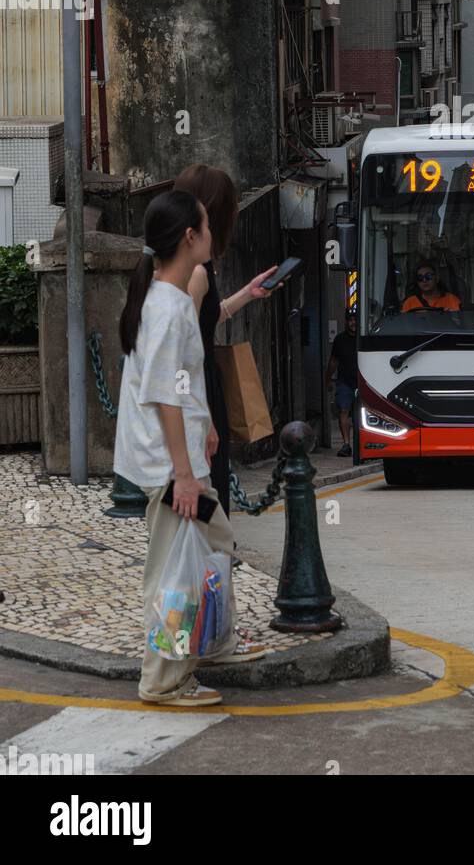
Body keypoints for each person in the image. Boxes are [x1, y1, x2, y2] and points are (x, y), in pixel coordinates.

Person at [114, 190, 266, 709]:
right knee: (173, 576)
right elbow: (161, 395)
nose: (212, 234)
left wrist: (203, 426)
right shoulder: (167, 308)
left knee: (216, 545)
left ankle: (214, 641)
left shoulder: (167, 299)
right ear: (189, 237)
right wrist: (184, 475)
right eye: (205, 226)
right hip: (168, 467)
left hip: (180, 457)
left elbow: (178, 386)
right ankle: (163, 679)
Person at [173, 164, 277, 517]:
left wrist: (248, 293)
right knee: (207, 506)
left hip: (201, 390)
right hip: (199, 391)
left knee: (207, 507)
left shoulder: (191, 265)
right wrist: (203, 421)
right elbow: (182, 350)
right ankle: (208, 571)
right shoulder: (197, 273)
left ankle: (209, 569)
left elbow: (203, 320)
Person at [326, 312, 358, 458]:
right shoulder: (340, 339)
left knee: (361, 414)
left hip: (362, 382)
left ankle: (363, 443)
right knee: (343, 410)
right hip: (344, 381)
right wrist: (328, 379)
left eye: (355, 320)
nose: (353, 323)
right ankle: (346, 444)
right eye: (350, 320)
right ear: (345, 322)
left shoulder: (363, 338)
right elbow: (333, 361)